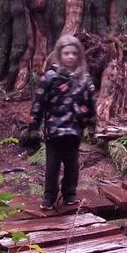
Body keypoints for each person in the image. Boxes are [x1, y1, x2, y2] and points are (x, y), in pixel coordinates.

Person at [30, 35, 97, 210]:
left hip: (74, 131)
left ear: (79, 56)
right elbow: (39, 102)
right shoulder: (50, 77)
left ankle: (69, 194)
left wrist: (91, 126)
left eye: (74, 53)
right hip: (54, 131)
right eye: (66, 53)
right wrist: (34, 125)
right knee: (52, 166)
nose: (70, 57)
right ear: (59, 55)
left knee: (72, 165)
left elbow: (90, 104)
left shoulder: (84, 79)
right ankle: (49, 197)